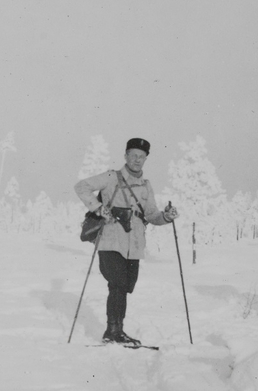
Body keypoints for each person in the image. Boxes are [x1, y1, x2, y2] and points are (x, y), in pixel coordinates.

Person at [74, 137, 179, 344]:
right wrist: (97, 207)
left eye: (141, 157)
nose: (137, 160)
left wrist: (166, 217)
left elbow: (151, 215)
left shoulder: (146, 186)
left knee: (125, 286)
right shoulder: (111, 177)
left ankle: (117, 330)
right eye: (133, 155)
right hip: (111, 240)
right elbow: (82, 186)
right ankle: (112, 332)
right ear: (125, 156)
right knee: (118, 284)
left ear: (146, 159)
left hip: (135, 245)